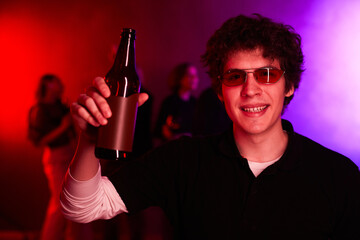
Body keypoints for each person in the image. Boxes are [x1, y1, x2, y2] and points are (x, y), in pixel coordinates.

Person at [60, 14, 360, 239]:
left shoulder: (337, 174)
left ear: (289, 85)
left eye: (267, 74)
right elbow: (81, 208)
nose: (250, 89)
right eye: (235, 77)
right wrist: (89, 139)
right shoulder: (183, 159)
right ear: (219, 91)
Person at [28, 74, 93, 240]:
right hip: (56, 157)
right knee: (60, 202)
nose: (61, 84)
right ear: (48, 85)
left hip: (70, 154)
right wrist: (64, 127)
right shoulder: (40, 110)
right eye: (56, 82)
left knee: (76, 200)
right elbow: (39, 141)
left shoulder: (62, 106)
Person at [154, 63, 199, 143]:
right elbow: (160, 130)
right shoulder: (169, 102)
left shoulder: (195, 103)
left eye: (195, 75)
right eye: (189, 75)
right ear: (180, 78)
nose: (194, 79)